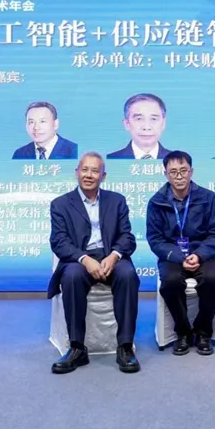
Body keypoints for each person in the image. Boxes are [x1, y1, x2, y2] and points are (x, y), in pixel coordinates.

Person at [47, 152, 140, 374]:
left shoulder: (117, 201)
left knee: (127, 275)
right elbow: (59, 241)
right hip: (79, 259)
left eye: (95, 171)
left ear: (103, 176)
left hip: (110, 256)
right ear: (77, 172)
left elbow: (127, 237)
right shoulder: (60, 204)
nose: (89, 175)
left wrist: (114, 256)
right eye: (85, 170)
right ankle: (77, 348)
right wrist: (84, 259)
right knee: (71, 276)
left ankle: (125, 347)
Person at [146, 151, 215, 356]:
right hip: (172, 256)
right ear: (166, 174)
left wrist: (199, 255)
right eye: (173, 172)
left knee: (212, 281)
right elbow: (155, 239)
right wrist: (179, 258)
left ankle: (203, 331)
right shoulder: (156, 202)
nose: (179, 176)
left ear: (191, 172)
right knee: (170, 282)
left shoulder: (207, 198)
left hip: (203, 254)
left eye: (183, 171)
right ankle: (182, 332)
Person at [107, 93, 170, 160]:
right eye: (139, 119)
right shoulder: (110, 161)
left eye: (153, 119)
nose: (146, 127)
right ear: (127, 124)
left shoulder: (176, 161)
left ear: (163, 124)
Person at [12, 101, 78, 160]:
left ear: (55, 124)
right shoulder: (19, 154)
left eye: (42, 121)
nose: (36, 127)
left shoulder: (74, 152)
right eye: (31, 122)